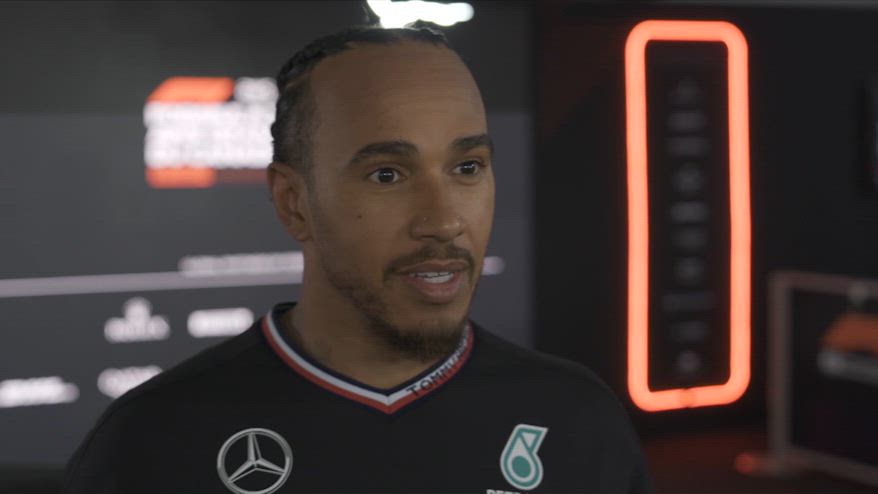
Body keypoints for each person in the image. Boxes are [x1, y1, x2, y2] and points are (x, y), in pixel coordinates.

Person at [63, 24, 653, 494]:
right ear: (293, 203)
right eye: (388, 174)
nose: (444, 220)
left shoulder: (578, 419)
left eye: (467, 167)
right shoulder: (153, 441)